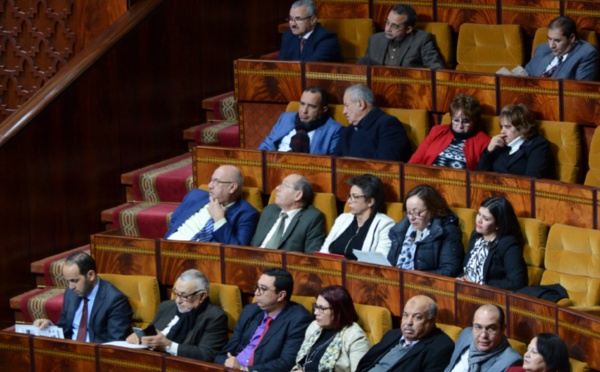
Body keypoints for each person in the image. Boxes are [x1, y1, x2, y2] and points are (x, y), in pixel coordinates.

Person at [215, 268, 312, 372]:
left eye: (263, 289)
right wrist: (224, 364)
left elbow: (286, 363)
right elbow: (229, 349)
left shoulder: (298, 319)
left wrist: (245, 369)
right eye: (257, 287)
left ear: (281, 295)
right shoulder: (250, 311)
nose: (256, 293)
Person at [125, 269, 228, 362]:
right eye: (176, 293)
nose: (178, 301)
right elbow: (151, 333)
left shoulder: (214, 316)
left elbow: (207, 355)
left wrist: (168, 346)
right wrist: (139, 338)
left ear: (202, 296)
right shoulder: (166, 306)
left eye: (184, 296)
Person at [33, 252, 132, 343]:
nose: (71, 286)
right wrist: (48, 327)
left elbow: (116, 343)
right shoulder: (71, 293)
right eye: (68, 281)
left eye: (75, 281)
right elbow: (64, 328)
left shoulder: (115, 300)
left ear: (91, 275)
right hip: (69, 351)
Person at [165, 165, 259, 245]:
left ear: (232, 187)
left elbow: (237, 251)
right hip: (169, 247)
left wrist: (219, 220)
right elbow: (175, 221)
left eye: (216, 182)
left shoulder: (246, 214)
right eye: (211, 180)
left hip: (201, 261)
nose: (210, 185)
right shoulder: (195, 196)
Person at [356, 295, 454, 372]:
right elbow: (365, 363)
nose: (408, 322)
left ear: (431, 321)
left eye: (417, 317)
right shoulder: (392, 335)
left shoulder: (441, 347)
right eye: (405, 315)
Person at [387, 185, 464, 277]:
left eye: (417, 212)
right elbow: (391, 264)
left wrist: (414, 277)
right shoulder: (400, 231)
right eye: (408, 212)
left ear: (432, 210)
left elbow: (449, 270)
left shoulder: (447, 231)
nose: (411, 218)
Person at [291, 286, 370, 372]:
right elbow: (301, 363)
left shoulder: (355, 336)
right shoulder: (314, 326)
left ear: (339, 311)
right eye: (316, 307)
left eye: (322, 308)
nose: (315, 312)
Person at [457, 196, 528, 291]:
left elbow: (517, 282)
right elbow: (467, 269)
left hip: (491, 297)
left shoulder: (508, 244)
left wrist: (480, 285)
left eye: (486, 219)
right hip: (467, 291)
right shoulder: (475, 236)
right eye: (479, 214)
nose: (479, 220)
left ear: (498, 224)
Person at [320, 174, 394, 259]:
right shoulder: (342, 219)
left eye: (355, 197)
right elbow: (324, 251)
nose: (349, 201)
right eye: (349, 196)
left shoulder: (385, 224)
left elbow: (380, 261)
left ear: (370, 201)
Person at [409, 94, 491, 170]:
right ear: (451, 118)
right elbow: (415, 161)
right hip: (428, 179)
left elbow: (481, 175)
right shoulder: (437, 131)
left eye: (466, 121)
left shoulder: (484, 141)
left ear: (474, 121)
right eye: (456, 120)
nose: (460, 126)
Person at [251, 174, 326, 253]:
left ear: (298, 195)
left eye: (284, 186)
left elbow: (312, 257)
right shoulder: (269, 210)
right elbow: (254, 243)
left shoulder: (311, 218)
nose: (277, 188)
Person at [334, 84, 411, 161]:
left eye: (346, 105)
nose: (344, 111)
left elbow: (385, 166)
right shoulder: (346, 132)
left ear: (360, 104)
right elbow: (335, 162)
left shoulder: (388, 125)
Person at [477, 104, 554, 179]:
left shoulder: (538, 145)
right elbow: (479, 177)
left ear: (522, 127)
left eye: (507, 127)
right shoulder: (500, 145)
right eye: (501, 126)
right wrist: (488, 151)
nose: (502, 131)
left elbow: (532, 180)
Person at [258, 86, 343, 155]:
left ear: (323, 110)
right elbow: (267, 144)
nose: (304, 110)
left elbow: (332, 162)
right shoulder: (285, 118)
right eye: (302, 104)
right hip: (275, 165)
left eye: (311, 106)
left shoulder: (334, 130)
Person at [357, 4, 445, 69]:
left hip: (408, 87)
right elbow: (364, 71)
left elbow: (437, 69)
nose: (388, 29)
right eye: (387, 22)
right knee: (363, 62)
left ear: (408, 29)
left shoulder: (422, 40)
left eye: (394, 26)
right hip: (379, 86)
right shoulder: (374, 40)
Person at [445, 304, 522, 372]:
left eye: (491, 328)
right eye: (478, 327)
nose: (483, 335)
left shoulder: (512, 361)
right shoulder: (466, 335)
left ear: (502, 329)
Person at [525, 16, 598, 81]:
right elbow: (525, 73)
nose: (551, 45)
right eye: (550, 39)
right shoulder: (542, 49)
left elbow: (580, 90)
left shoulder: (586, 54)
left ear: (572, 38)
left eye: (557, 40)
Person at [279, 0, 343, 63]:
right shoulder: (288, 36)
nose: (293, 24)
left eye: (298, 19)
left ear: (312, 20)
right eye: (291, 19)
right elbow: (281, 65)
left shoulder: (327, 40)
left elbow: (310, 67)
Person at [506, 333, 571, 372]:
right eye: (528, 349)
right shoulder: (512, 370)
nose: (526, 355)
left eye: (534, 352)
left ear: (550, 360)